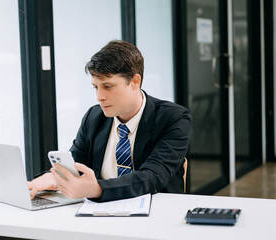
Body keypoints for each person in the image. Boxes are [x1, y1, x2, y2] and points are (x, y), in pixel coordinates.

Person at [28, 40, 191, 202]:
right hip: (101, 213)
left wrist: (98, 189)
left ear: (135, 82)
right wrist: (55, 177)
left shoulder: (173, 118)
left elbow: (152, 177)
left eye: (108, 86)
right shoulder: (93, 117)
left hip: (157, 212)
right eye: (95, 87)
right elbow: (76, 163)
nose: (100, 97)